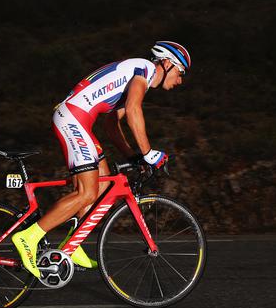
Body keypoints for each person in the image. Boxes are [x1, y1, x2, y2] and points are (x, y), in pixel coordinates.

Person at [12, 41, 191, 277]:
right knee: (86, 193)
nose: (180, 81)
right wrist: (148, 154)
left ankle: (72, 244)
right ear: (167, 63)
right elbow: (134, 111)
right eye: (180, 73)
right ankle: (29, 237)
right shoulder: (144, 69)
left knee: (104, 183)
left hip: (78, 120)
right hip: (73, 119)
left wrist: (133, 156)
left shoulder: (135, 75)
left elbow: (111, 124)